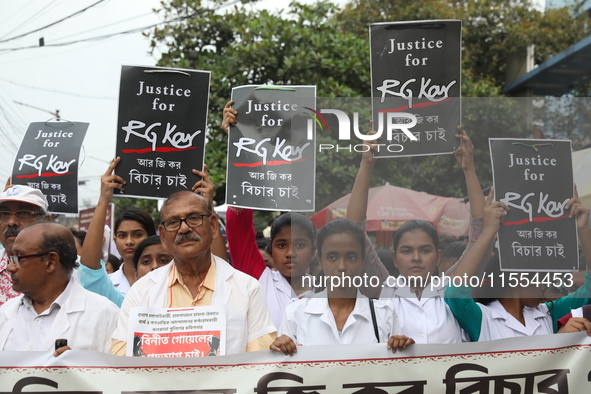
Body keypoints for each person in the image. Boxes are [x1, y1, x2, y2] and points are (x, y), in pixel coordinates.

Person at [346, 126, 487, 343]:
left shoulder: (451, 287)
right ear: (394, 257)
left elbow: (480, 234)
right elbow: (353, 232)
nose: (416, 257)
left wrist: (469, 169)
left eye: (425, 250)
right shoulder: (384, 289)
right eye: (406, 251)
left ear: (438, 256)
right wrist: (366, 164)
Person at [111, 191, 276, 356]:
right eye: (173, 222)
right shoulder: (141, 291)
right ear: (162, 236)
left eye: (194, 218)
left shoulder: (248, 288)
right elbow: (122, 360)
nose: (184, 228)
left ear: (212, 226)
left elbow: (257, 361)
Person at [445, 189, 591, 341]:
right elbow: (455, 292)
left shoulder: (548, 313)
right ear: (520, 277)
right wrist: (488, 231)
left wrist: (584, 229)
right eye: (540, 277)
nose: (544, 285)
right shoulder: (483, 318)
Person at [271, 219, 414, 355]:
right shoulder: (296, 312)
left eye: (351, 257)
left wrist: (401, 346)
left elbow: (396, 372)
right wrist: (281, 349)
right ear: (319, 258)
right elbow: (286, 372)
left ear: (363, 260)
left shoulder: (384, 314)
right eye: (332, 257)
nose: (342, 267)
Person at [0, 222, 119, 355]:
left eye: (18, 258)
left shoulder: (105, 314)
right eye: (11, 258)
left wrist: (80, 368)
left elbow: (118, 373)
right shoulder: (5, 313)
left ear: (50, 262)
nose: (10, 267)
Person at [0, 185, 49, 306]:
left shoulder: (70, 270)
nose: (11, 222)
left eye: (24, 213)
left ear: (46, 221)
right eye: (4, 214)